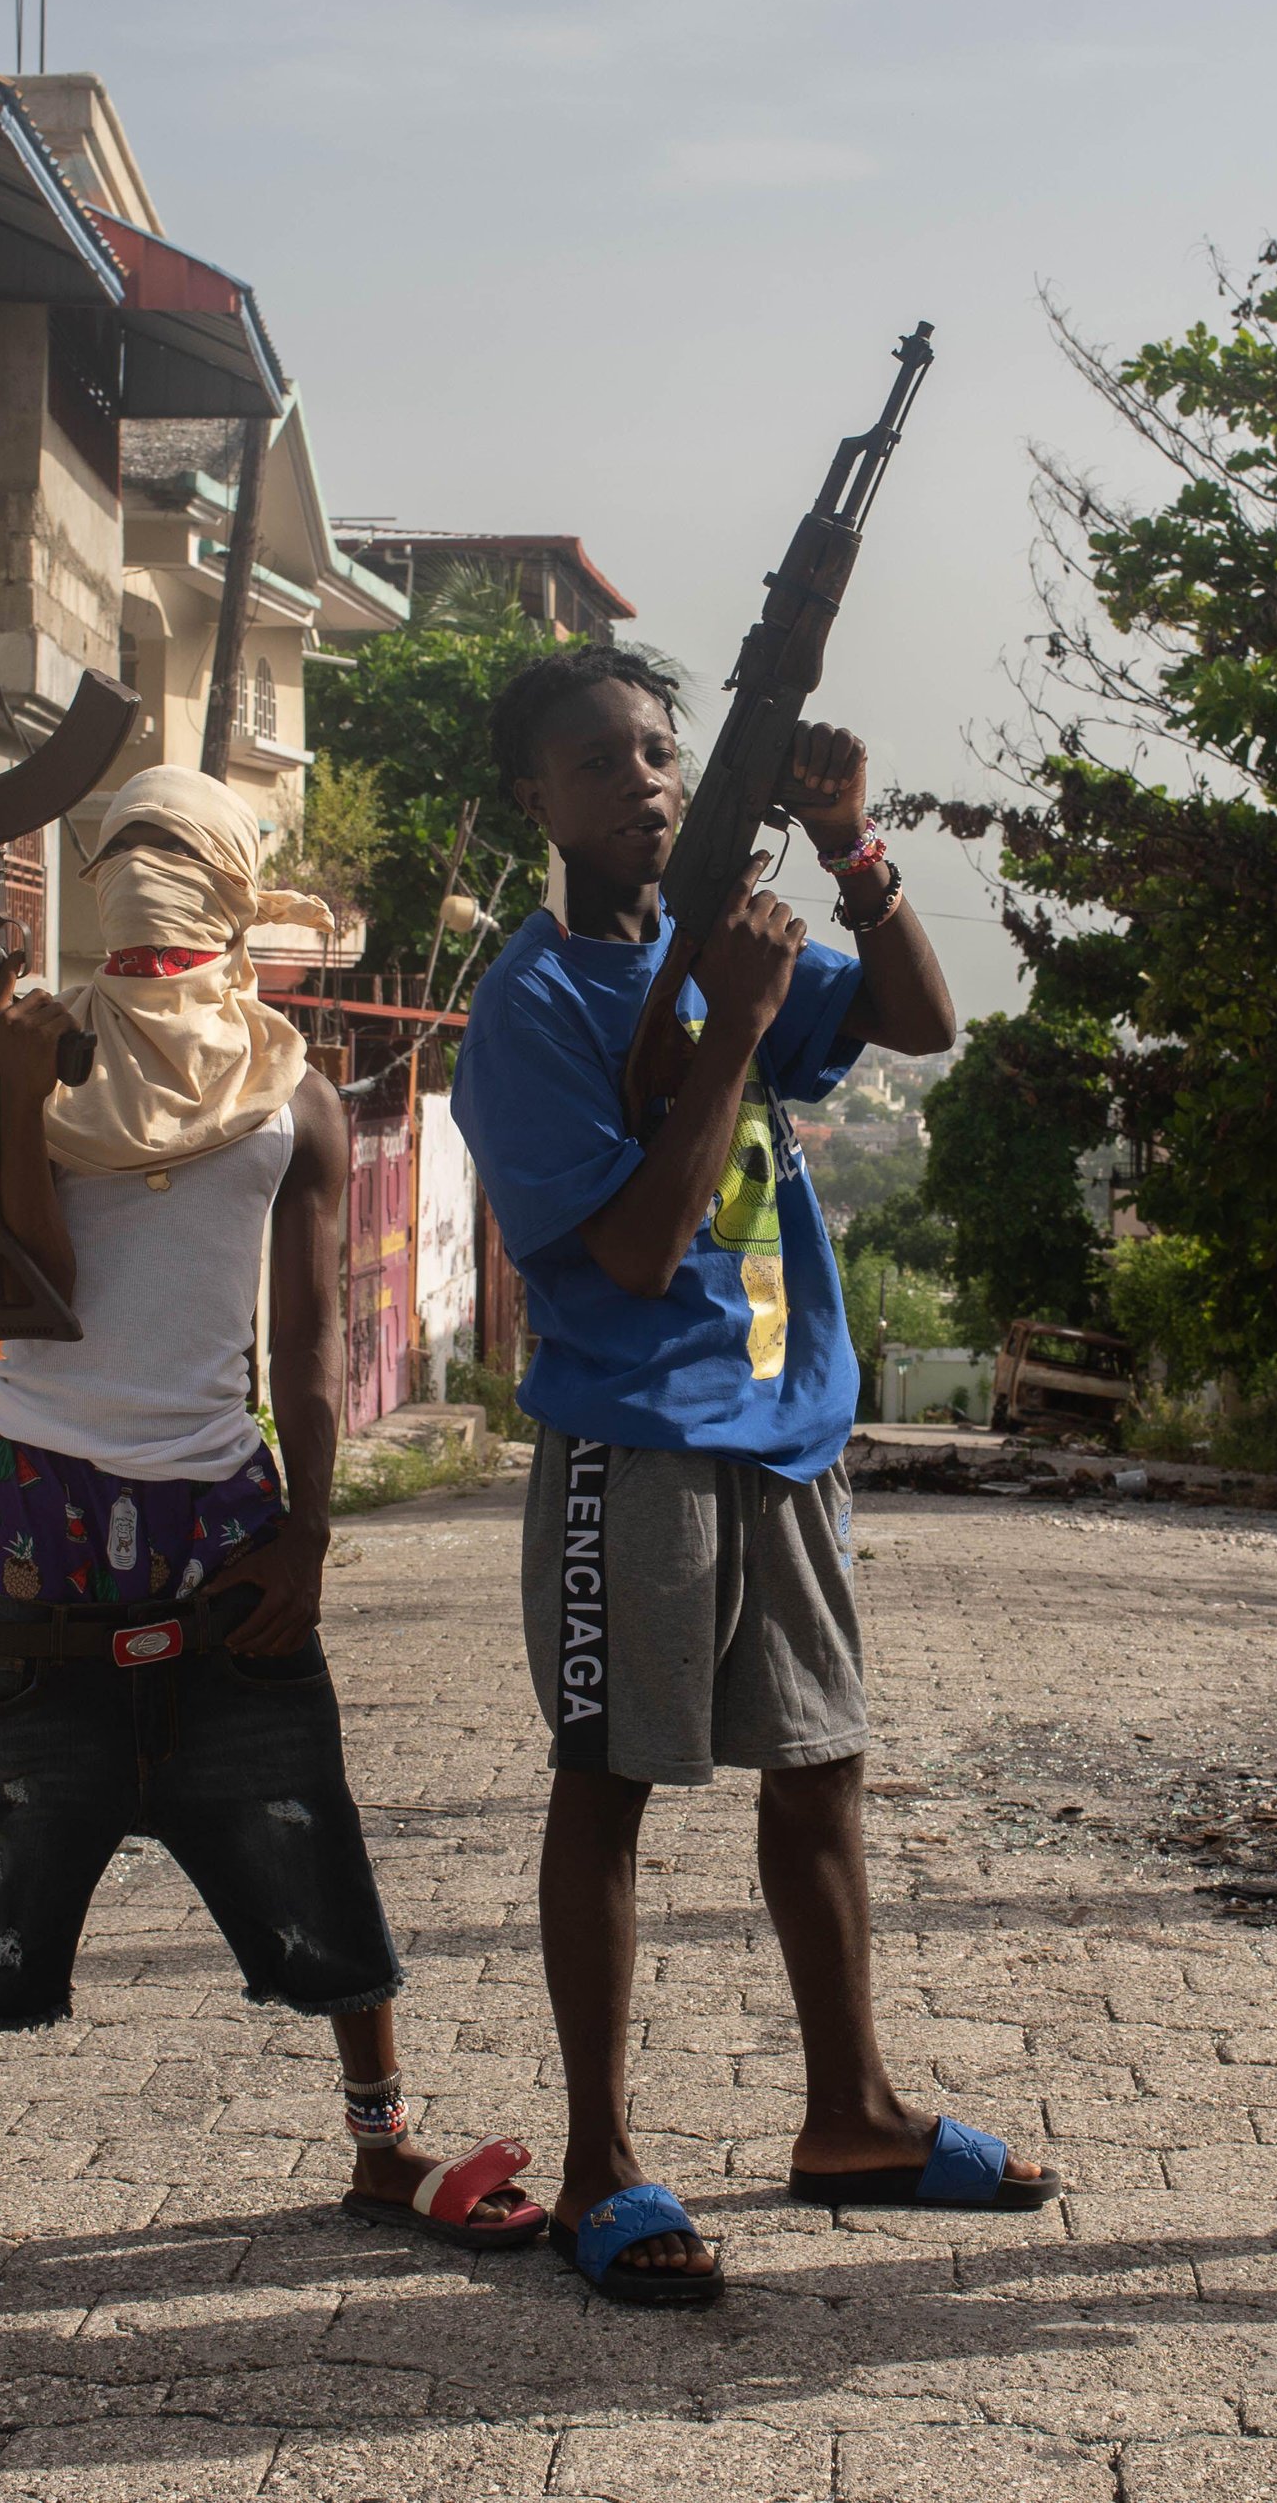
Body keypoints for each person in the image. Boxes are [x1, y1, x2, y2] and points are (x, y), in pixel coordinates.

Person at [0, 765, 542, 2306]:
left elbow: (314, 1334)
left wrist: (310, 1533)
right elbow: (29, 1291)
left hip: (223, 1518)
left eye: (176, 863)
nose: (148, 898)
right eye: (123, 860)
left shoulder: (292, 1094)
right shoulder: (38, 1060)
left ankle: (381, 2138)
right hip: (40, 1511)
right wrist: (16, 1090)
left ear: (228, 896)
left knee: (303, 1820)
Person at [451, 646, 1049, 2310]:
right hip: (635, 1444)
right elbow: (635, 1254)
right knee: (611, 1786)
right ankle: (597, 2166)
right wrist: (743, 1022)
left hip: (785, 1431)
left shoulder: (721, 953)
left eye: (660, 752)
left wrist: (856, 847)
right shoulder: (532, 1009)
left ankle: (851, 2116)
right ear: (535, 803)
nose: (640, 781)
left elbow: (927, 1020)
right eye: (597, 761)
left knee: (821, 1774)